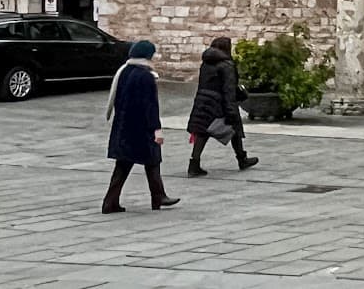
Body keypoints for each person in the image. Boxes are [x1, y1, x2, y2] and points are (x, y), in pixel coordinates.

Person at [102, 39, 180, 213]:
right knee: (152, 160)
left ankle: (110, 202)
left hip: (123, 125)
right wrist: (156, 129)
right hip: (141, 127)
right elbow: (150, 106)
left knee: (123, 166)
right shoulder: (146, 76)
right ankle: (158, 197)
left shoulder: (124, 71)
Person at [186, 35, 259, 176]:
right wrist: (231, 109)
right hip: (220, 102)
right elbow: (228, 89)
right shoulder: (227, 65)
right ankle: (242, 159)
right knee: (235, 127)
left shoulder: (206, 63)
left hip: (203, 100)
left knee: (202, 131)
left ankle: (194, 164)